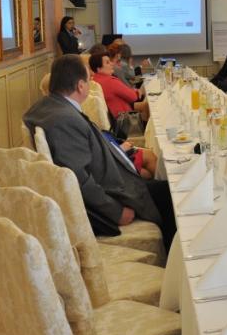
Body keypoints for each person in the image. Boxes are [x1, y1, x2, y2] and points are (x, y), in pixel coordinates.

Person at [23, 55, 176, 250]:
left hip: (111, 180)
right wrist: (116, 211)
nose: (90, 83)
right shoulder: (64, 120)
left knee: (162, 184)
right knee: (170, 193)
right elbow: (78, 178)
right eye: (88, 79)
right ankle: (173, 256)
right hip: (114, 193)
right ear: (80, 86)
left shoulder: (45, 108)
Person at [89, 52, 149, 122]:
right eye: (107, 62)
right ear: (98, 69)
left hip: (113, 120)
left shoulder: (93, 81)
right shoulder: (110, 81)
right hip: (125, 121)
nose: (112, 64)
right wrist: (137, 91)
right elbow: (133, 97)